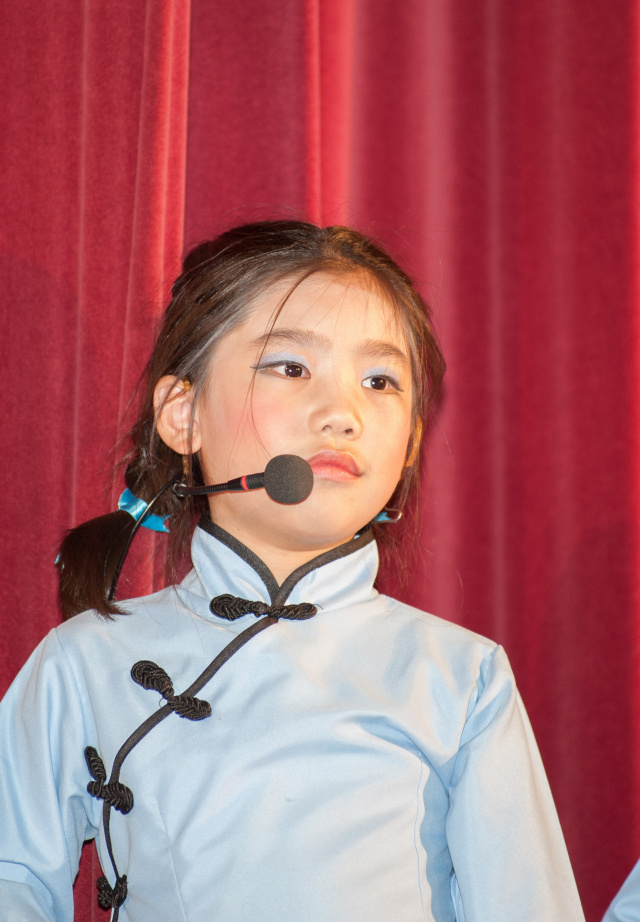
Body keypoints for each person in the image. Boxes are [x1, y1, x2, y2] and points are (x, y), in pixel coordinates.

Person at [0, 221, 584, 921]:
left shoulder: (461, 677)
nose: (342, 414)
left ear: (410, 445)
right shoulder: (83, 662)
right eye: (291, 368)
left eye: (380, 381)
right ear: (183, 414)